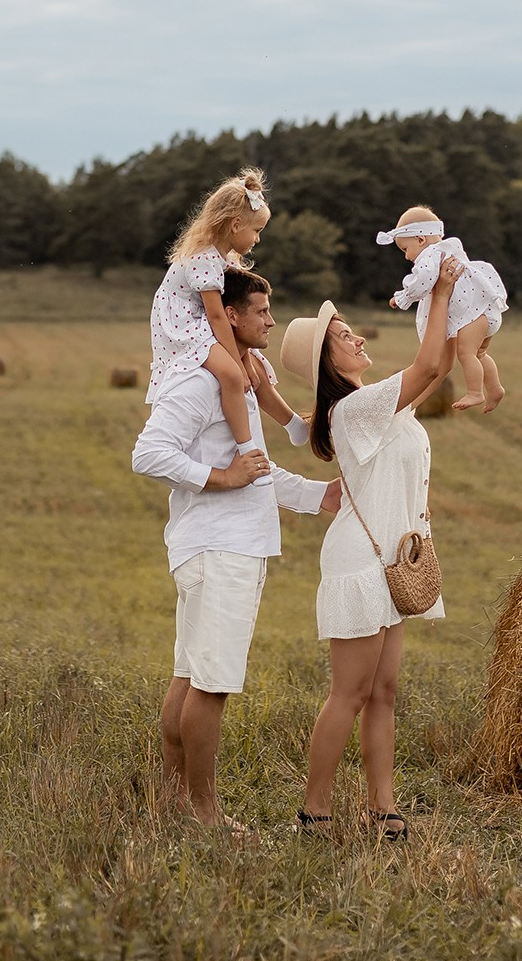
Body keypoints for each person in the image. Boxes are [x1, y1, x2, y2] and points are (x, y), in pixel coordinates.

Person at [131, 267, 339, 833]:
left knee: (190, 675)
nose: (271, 320)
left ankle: (175, 805)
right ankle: (203, 813)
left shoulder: (243, 378)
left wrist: (319, 497)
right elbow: (148, 452)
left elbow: (259, 472)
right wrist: (218, 477)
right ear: (227, 315)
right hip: (218, 550)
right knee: (213, 683)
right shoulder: (200, 383)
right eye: (262, 311)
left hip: (222, 547)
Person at [277, 251, 464, 841]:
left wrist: (461, 303)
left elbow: (439, 367)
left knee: (383, 691)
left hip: (390, 561)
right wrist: (435, 290)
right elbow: (428, 361)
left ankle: (383, 810)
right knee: (350, 693)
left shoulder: (375, 405)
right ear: (326, 362)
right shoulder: (355, 408)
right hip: (360, 562)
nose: (356, 336)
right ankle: (315, 812)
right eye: (342, 335)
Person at [147, 167, 308, 487]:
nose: (258, 239)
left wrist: (247, 358)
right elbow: (218, 316)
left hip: (203, 323)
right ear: (236, 225)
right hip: (183, 327)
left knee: (256, 367)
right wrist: (237, 362)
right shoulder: (204, 257)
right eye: (256, 231)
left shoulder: (227, 259)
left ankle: (294, 426)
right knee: (234, 375)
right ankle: (248, 449)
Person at [379, 205, 509, 413]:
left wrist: (402, 297)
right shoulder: (451, 247)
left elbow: (422, 281)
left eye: (405, 249)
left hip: (472, 315)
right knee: (480, 354)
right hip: (485, 311)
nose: (406, 256)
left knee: (466, 354)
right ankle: (495, 388)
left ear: (420, 239)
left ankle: (475, 392)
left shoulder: (429, 256)